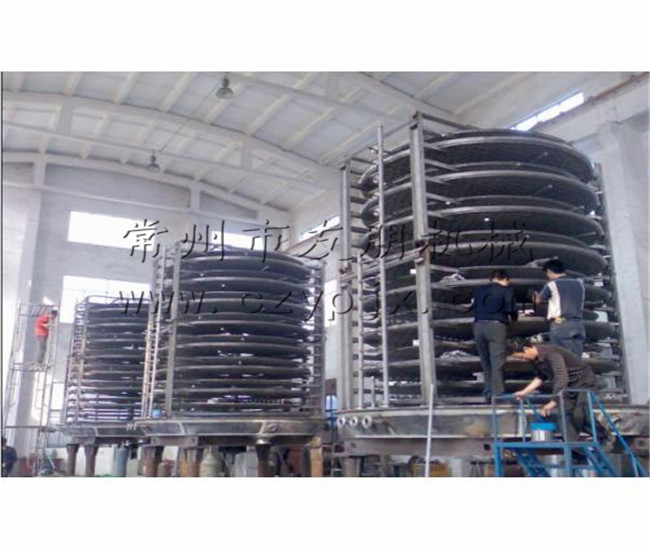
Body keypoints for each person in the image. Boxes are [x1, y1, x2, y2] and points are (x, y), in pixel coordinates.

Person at [509, 339, 605, 442]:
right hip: (568, 387)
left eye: (522, 356)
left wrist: (553, 401)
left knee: (580, 414)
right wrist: (525, 391)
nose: (524, 360)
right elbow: (541, 376)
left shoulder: (552, 354)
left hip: (584, 383)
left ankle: (604, 437)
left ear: (526, 349)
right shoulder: (536, 359)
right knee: (564, 417)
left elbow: (561, 377)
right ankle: (572, 446)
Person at [472, 269, 518, 403]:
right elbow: (510, 309)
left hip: (478, 326)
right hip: (496, 326)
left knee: (485, 362)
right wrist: (514, 319)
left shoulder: (479, 291)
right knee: (497, 362)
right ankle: (498, 395)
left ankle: (488, 392)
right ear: (505, 279)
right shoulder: (506, 290)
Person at [533, 259, 586, 357]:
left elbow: (538, 300)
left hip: (560, 322)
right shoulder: (579, 284)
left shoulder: (552, 284)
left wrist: (535, 296)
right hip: (578, 324)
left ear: (549, 271)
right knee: (576, 359)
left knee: (560, 356)